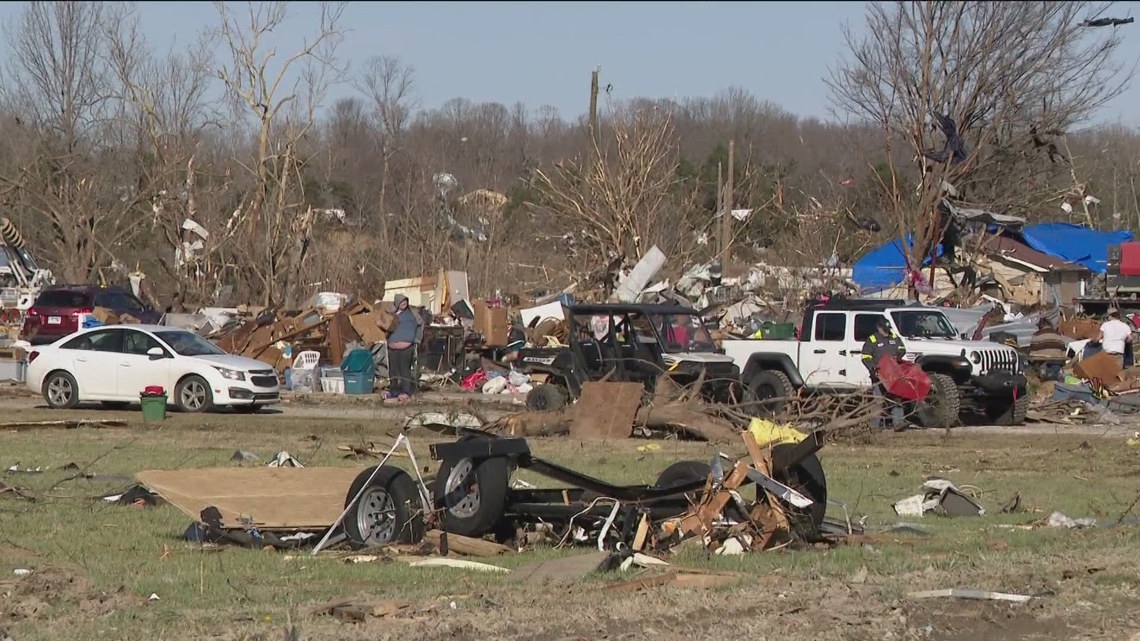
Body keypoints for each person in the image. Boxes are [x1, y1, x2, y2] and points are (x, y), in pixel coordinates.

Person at [861, 316, 907, 429]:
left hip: (893, 374)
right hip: (879, 375)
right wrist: (873, 368)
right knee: (879, 400)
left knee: (897, 399)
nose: (887, 331)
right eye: (885, 328)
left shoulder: (894, 337)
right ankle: (875, 426)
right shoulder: (872, 339)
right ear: (879, 327)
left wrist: (898, 356)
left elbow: (902, 349)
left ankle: (898, 423)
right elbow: (865, 357)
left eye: (888, 328)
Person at [384, 294, 424, 401]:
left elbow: (421, 324)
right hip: (392, 347)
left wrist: (417, 339)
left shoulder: (412, 314)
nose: (404, 303)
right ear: (397, 303)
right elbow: (384, 324)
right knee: (393, 370)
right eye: (401, 302)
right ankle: (394, 390)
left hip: (406, 347)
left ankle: (406, 391)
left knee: (404, 369)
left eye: (405, 301)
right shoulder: (391, 314)